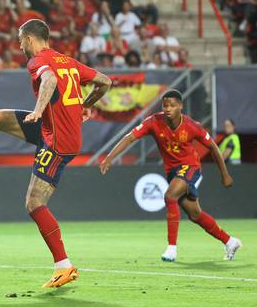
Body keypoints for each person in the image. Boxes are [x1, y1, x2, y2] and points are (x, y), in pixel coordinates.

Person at [0, 19, 111, 288]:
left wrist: (38, 110)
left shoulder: (37, 62)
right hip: (52, 128)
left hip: (58, 142)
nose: (18, 45)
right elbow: (105, 81)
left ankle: (64, 266)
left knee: (34, 203)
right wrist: (85, 105)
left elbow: (48, 79)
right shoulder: (68, 61)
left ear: (29, 39)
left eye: (19, 39)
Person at [99, 89, 242, 262]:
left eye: (172, 105)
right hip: (172, 172)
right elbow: (130, 138)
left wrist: (224, 175)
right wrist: (109, 157)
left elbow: (213, 147)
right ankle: (230, 241)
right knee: (195, 214)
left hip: (190, 167)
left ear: (180, 106)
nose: (168, 109)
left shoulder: (191, 126)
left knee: (170, 196)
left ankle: (171, 248)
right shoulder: (153, 122)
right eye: (165, 105)